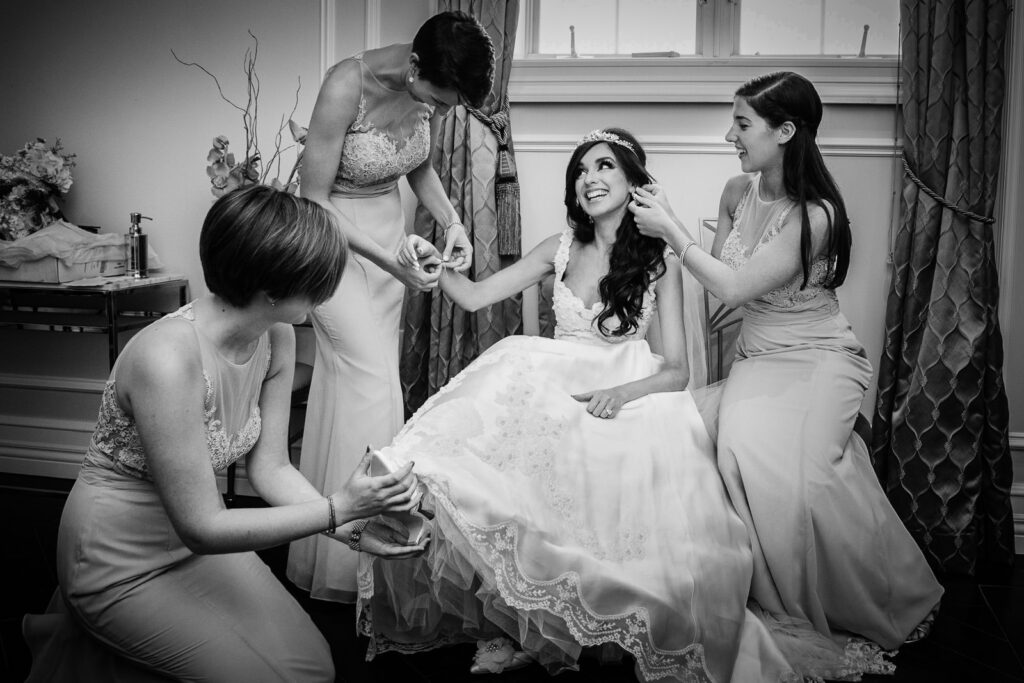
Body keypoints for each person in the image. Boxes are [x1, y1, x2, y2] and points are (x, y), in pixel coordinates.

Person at [356, 128, 796, 683]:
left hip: (629, 383)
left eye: (605, 166)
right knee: (473, 460)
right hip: (550, 376)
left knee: (602, 474)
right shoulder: (560, 246)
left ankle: (573, 621)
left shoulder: (661, 258)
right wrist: (433, 262)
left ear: (635, 180)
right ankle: (517, 621)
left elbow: (678, 370)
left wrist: (621, 394)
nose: (590, 179)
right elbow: (472, 296)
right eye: (581, 171)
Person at [21, 185, 426, 683]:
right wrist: (339, 508)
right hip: (116, 556)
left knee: (312, 668)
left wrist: (354, 529)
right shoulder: (166, 358)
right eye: (318, 281)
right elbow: (203, 525)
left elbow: (271, 468)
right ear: (271, 290)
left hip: (194, 546)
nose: (326, 293)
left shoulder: (274, 335)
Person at [629, 71, 944, 657]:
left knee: (806, 480)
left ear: (786, 131)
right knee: (731, 449)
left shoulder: (816, 215)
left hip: (820, 356)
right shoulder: (734, 193)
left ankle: (860, 600)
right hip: (759, 355)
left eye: (742, 124)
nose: (730, 135)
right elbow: (725, 297)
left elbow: (737, 282)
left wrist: (671, 227)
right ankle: (764, 596)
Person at [287, 9, 496, 603]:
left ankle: (335, 554)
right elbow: (314, 198)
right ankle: (364, 534)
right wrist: (387, 260)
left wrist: (455, 221)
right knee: (372, 380)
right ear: (413, 67)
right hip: (332, 243)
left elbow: (416, 161)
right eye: (441, 96)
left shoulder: (427, 85)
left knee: (355, 386)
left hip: (387, 238)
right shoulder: (345, 85)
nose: (444, 108)